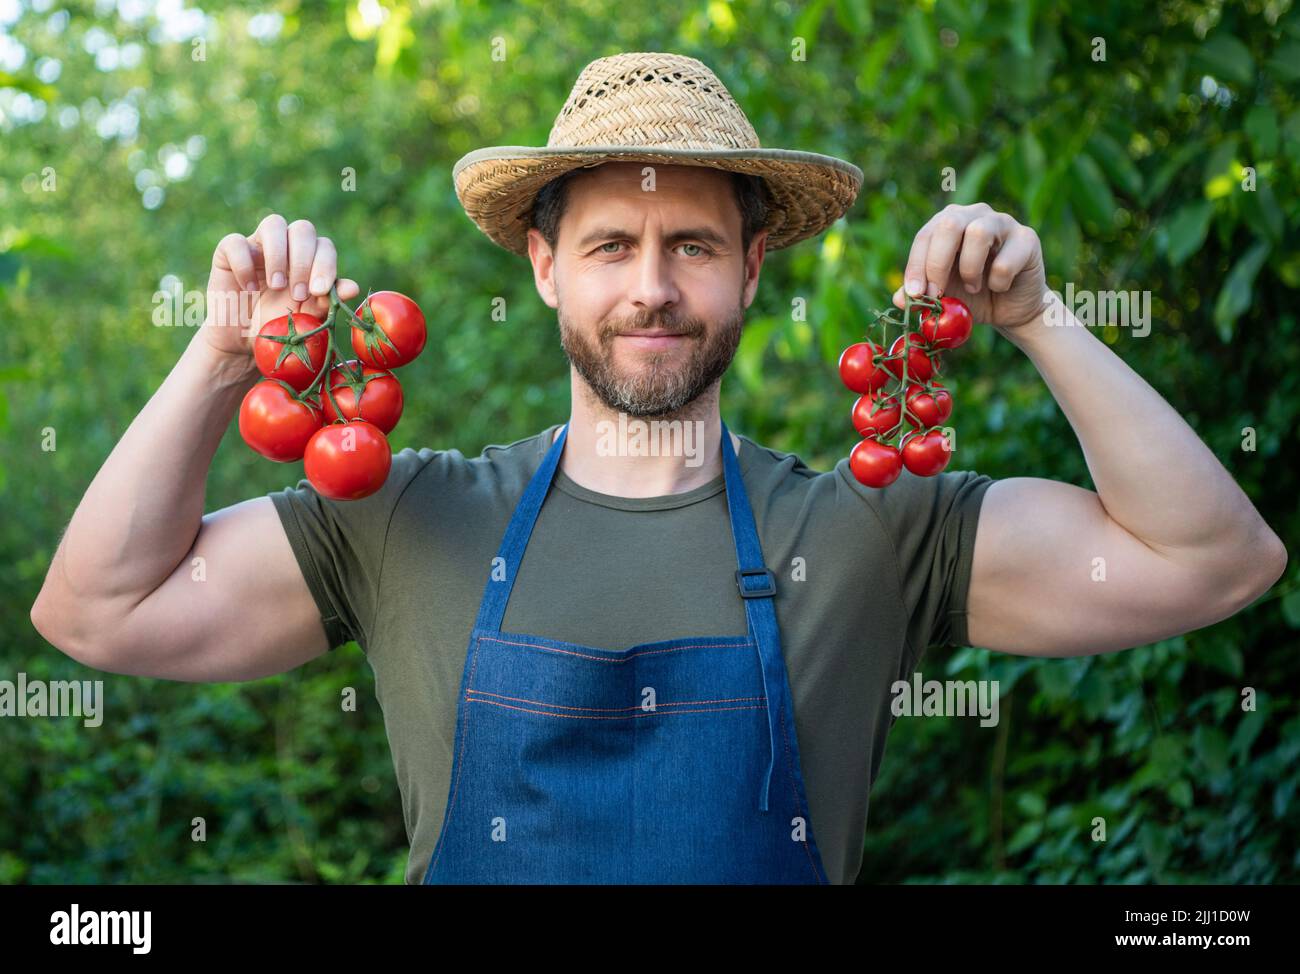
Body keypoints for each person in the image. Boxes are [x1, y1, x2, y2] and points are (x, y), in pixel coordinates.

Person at [30, 52, 1286, 885]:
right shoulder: (405, 512)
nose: (649, 287)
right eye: (611, 244)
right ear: (543, 267)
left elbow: (1213, 559)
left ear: (750, 270)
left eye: (691, 244)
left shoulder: (870, 526)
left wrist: (1037, 317)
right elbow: (97, 608)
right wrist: (217, 353)